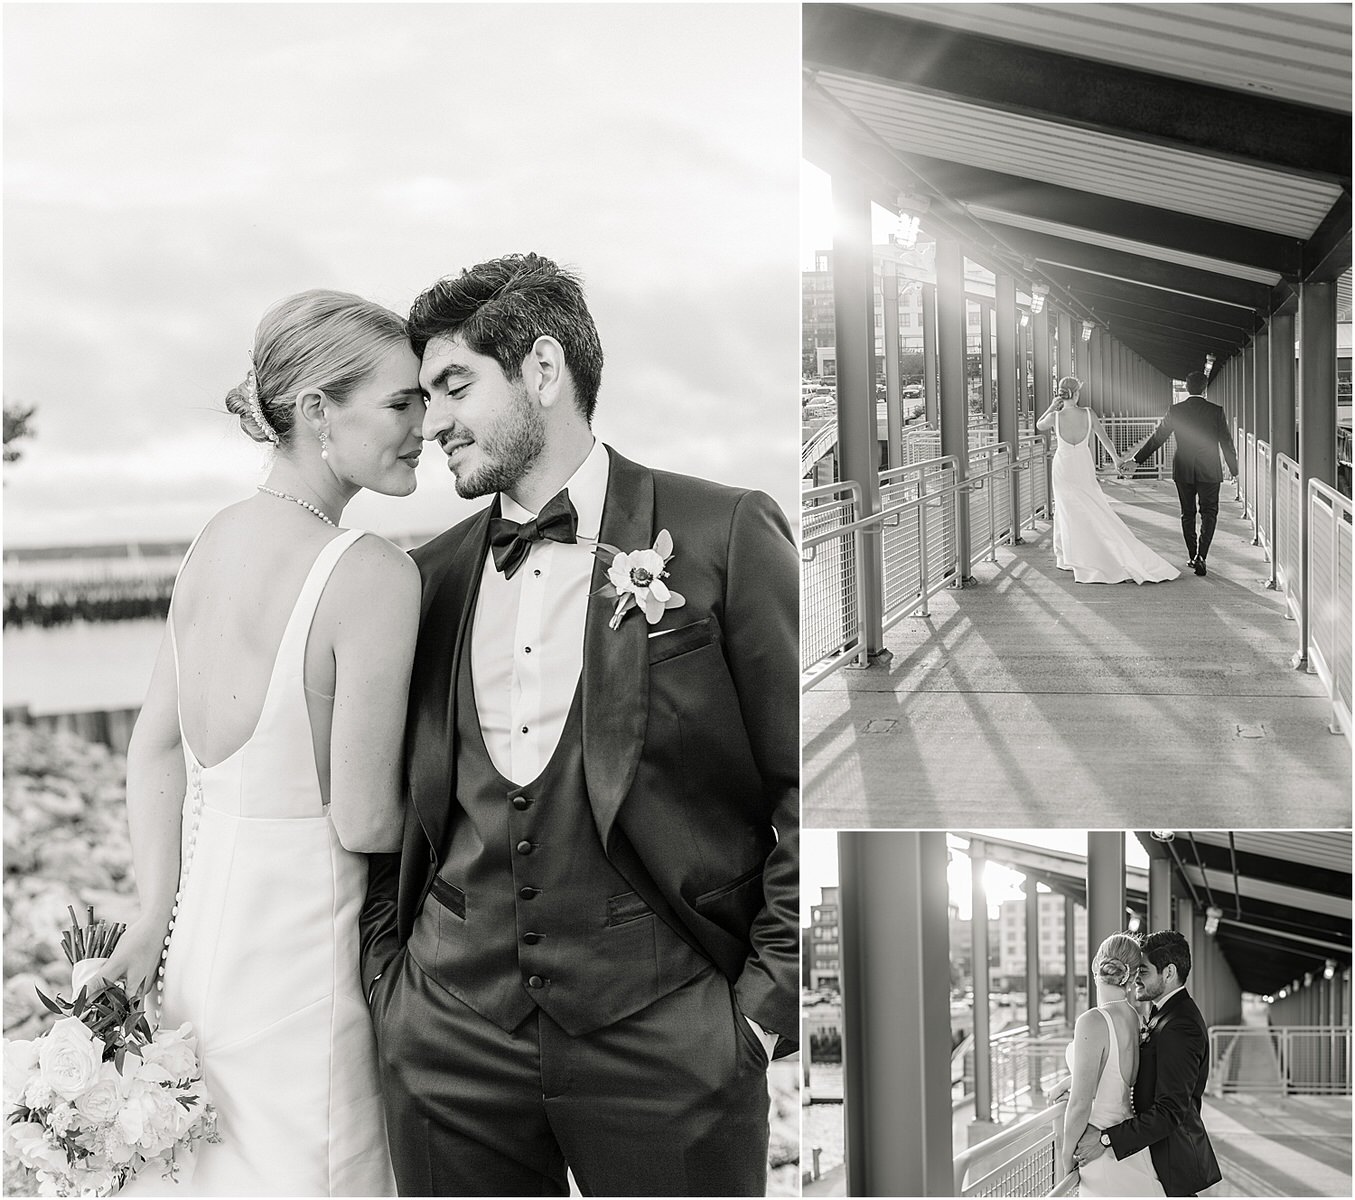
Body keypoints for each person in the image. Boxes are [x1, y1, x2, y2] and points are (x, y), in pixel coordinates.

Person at [359, 253, 799, 1196]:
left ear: (544, 371)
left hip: (673, 1039)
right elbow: (384, 802)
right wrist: (393, 990)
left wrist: (762, 1006)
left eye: (453, 385)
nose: (431, 422)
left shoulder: (721, 534)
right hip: (449, 1041)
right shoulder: (425, 577)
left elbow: (807, 780)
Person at [98, 290, 426, 1194]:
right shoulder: (370, 575)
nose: (423, 426)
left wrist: (153, 911)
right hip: (304, 962)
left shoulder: (212, 541)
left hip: (206, 939)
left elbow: (155, 748)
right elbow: (363, 820)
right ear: (318, 409)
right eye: (401, 402)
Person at [1072, 930, 1223, 1197]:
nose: (1134, 978)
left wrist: (1106, 1139)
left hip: (1170, 1162)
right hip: (1151, 1152)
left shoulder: (1180, 1025)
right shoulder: (1164, 1013)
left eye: (1143, 971)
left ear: (1168, 973)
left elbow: (1170, 1111)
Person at [1037, 375, 1179, 584]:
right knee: (1092, 506)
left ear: (1060, 394)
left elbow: (1039, 425)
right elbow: (1105, 440)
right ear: (1077, 394)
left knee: (1066, 509)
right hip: (1082, 465)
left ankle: (1069, 556)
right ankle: (1100, 550)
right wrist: (1117, 461)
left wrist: (1051, 406)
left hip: (1063, 467)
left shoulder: (1055, 418)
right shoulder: (1088, 413)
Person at [1059, 933, 1164, 1196]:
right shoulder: (1133, 1016)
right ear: (1131, 976)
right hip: (1127, 1145)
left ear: (1096, 965)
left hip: (1098, 1154)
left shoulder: (1093, 1020)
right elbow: (1111, 1073)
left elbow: (1081, 1103)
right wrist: (1066, 1082)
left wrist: (1065, 1155)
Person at [1120, 370, 1239, 577]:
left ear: (1186, 387)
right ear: (1205, 388)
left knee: (1188, 513)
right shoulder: (1216, 411)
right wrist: (1234, 469)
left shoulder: (1176, 410)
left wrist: (1136, 460)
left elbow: (1158, 438)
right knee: (1209, 512)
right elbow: (1226, 442)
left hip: (1183, 469)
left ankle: (1192, 555)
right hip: (1210, 469)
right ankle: (1202, 556)